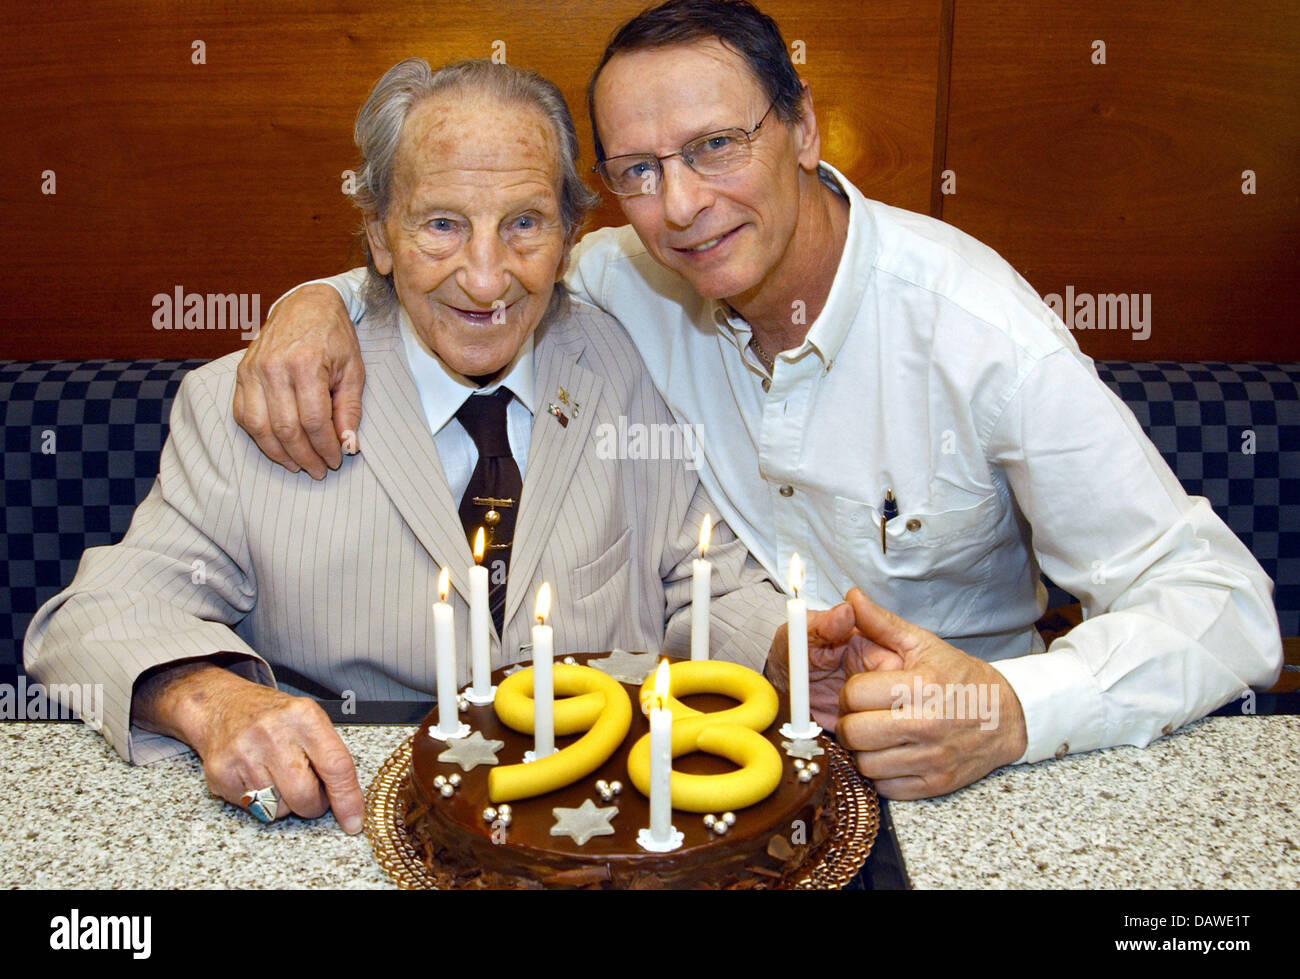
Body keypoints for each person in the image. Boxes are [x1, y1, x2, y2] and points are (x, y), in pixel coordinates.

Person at [230, 0, 1282, 801]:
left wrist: (1012, 708)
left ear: (805, 130)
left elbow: (1223, 605)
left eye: (716, 148)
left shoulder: (974, 327)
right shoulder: (617, 277)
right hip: (701, 773)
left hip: (956, 779)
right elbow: (466, 261)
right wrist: (317, 302)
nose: (681, 205)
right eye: (637, 169)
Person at [23, 56, 792, 833]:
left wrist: (796, 653)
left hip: (596, 826)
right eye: (441, 225)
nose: (486, 279)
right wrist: (216, 701)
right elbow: (94, 618)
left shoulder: (626, 362)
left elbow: (714, 583)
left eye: (524, 223)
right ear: (380, 236)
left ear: (567, 240)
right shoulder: (259, 401)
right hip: (343, 824)